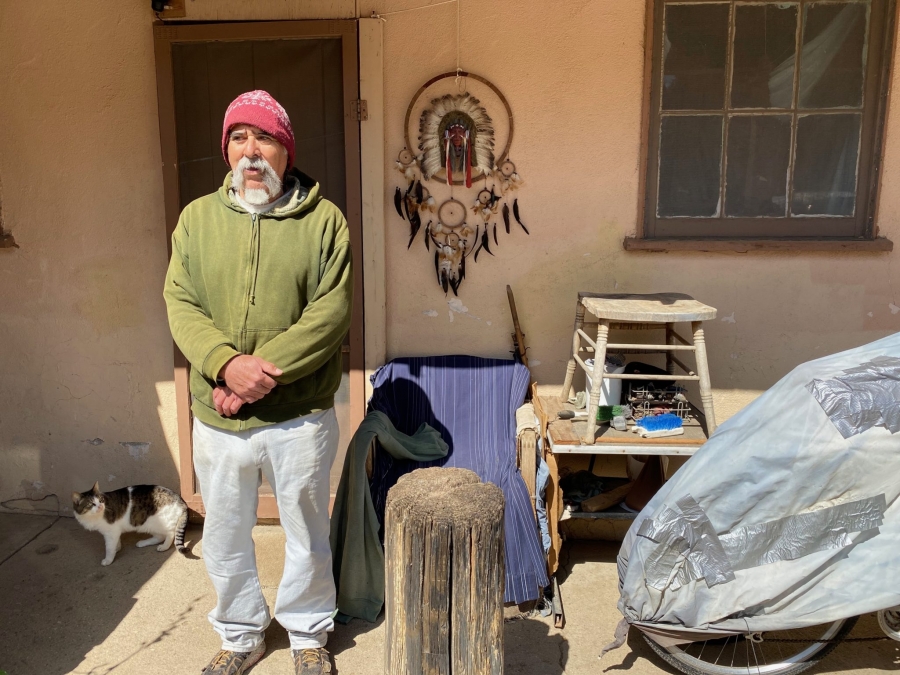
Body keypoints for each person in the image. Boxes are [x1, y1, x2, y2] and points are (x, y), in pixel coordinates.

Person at [163, 89, 352, 675]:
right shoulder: (196, 220)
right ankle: (242, 633)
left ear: (285, 151)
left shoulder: (325, 221)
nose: (252, 152)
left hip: (299, 414)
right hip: (218, 418)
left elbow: (330, 313)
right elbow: (180, 302)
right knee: (223, 533)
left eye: (265, 138)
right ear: (226, 151)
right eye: (239, 138)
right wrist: (224, 364)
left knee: (305, 529)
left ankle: (307, 633)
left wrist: (252, 375)